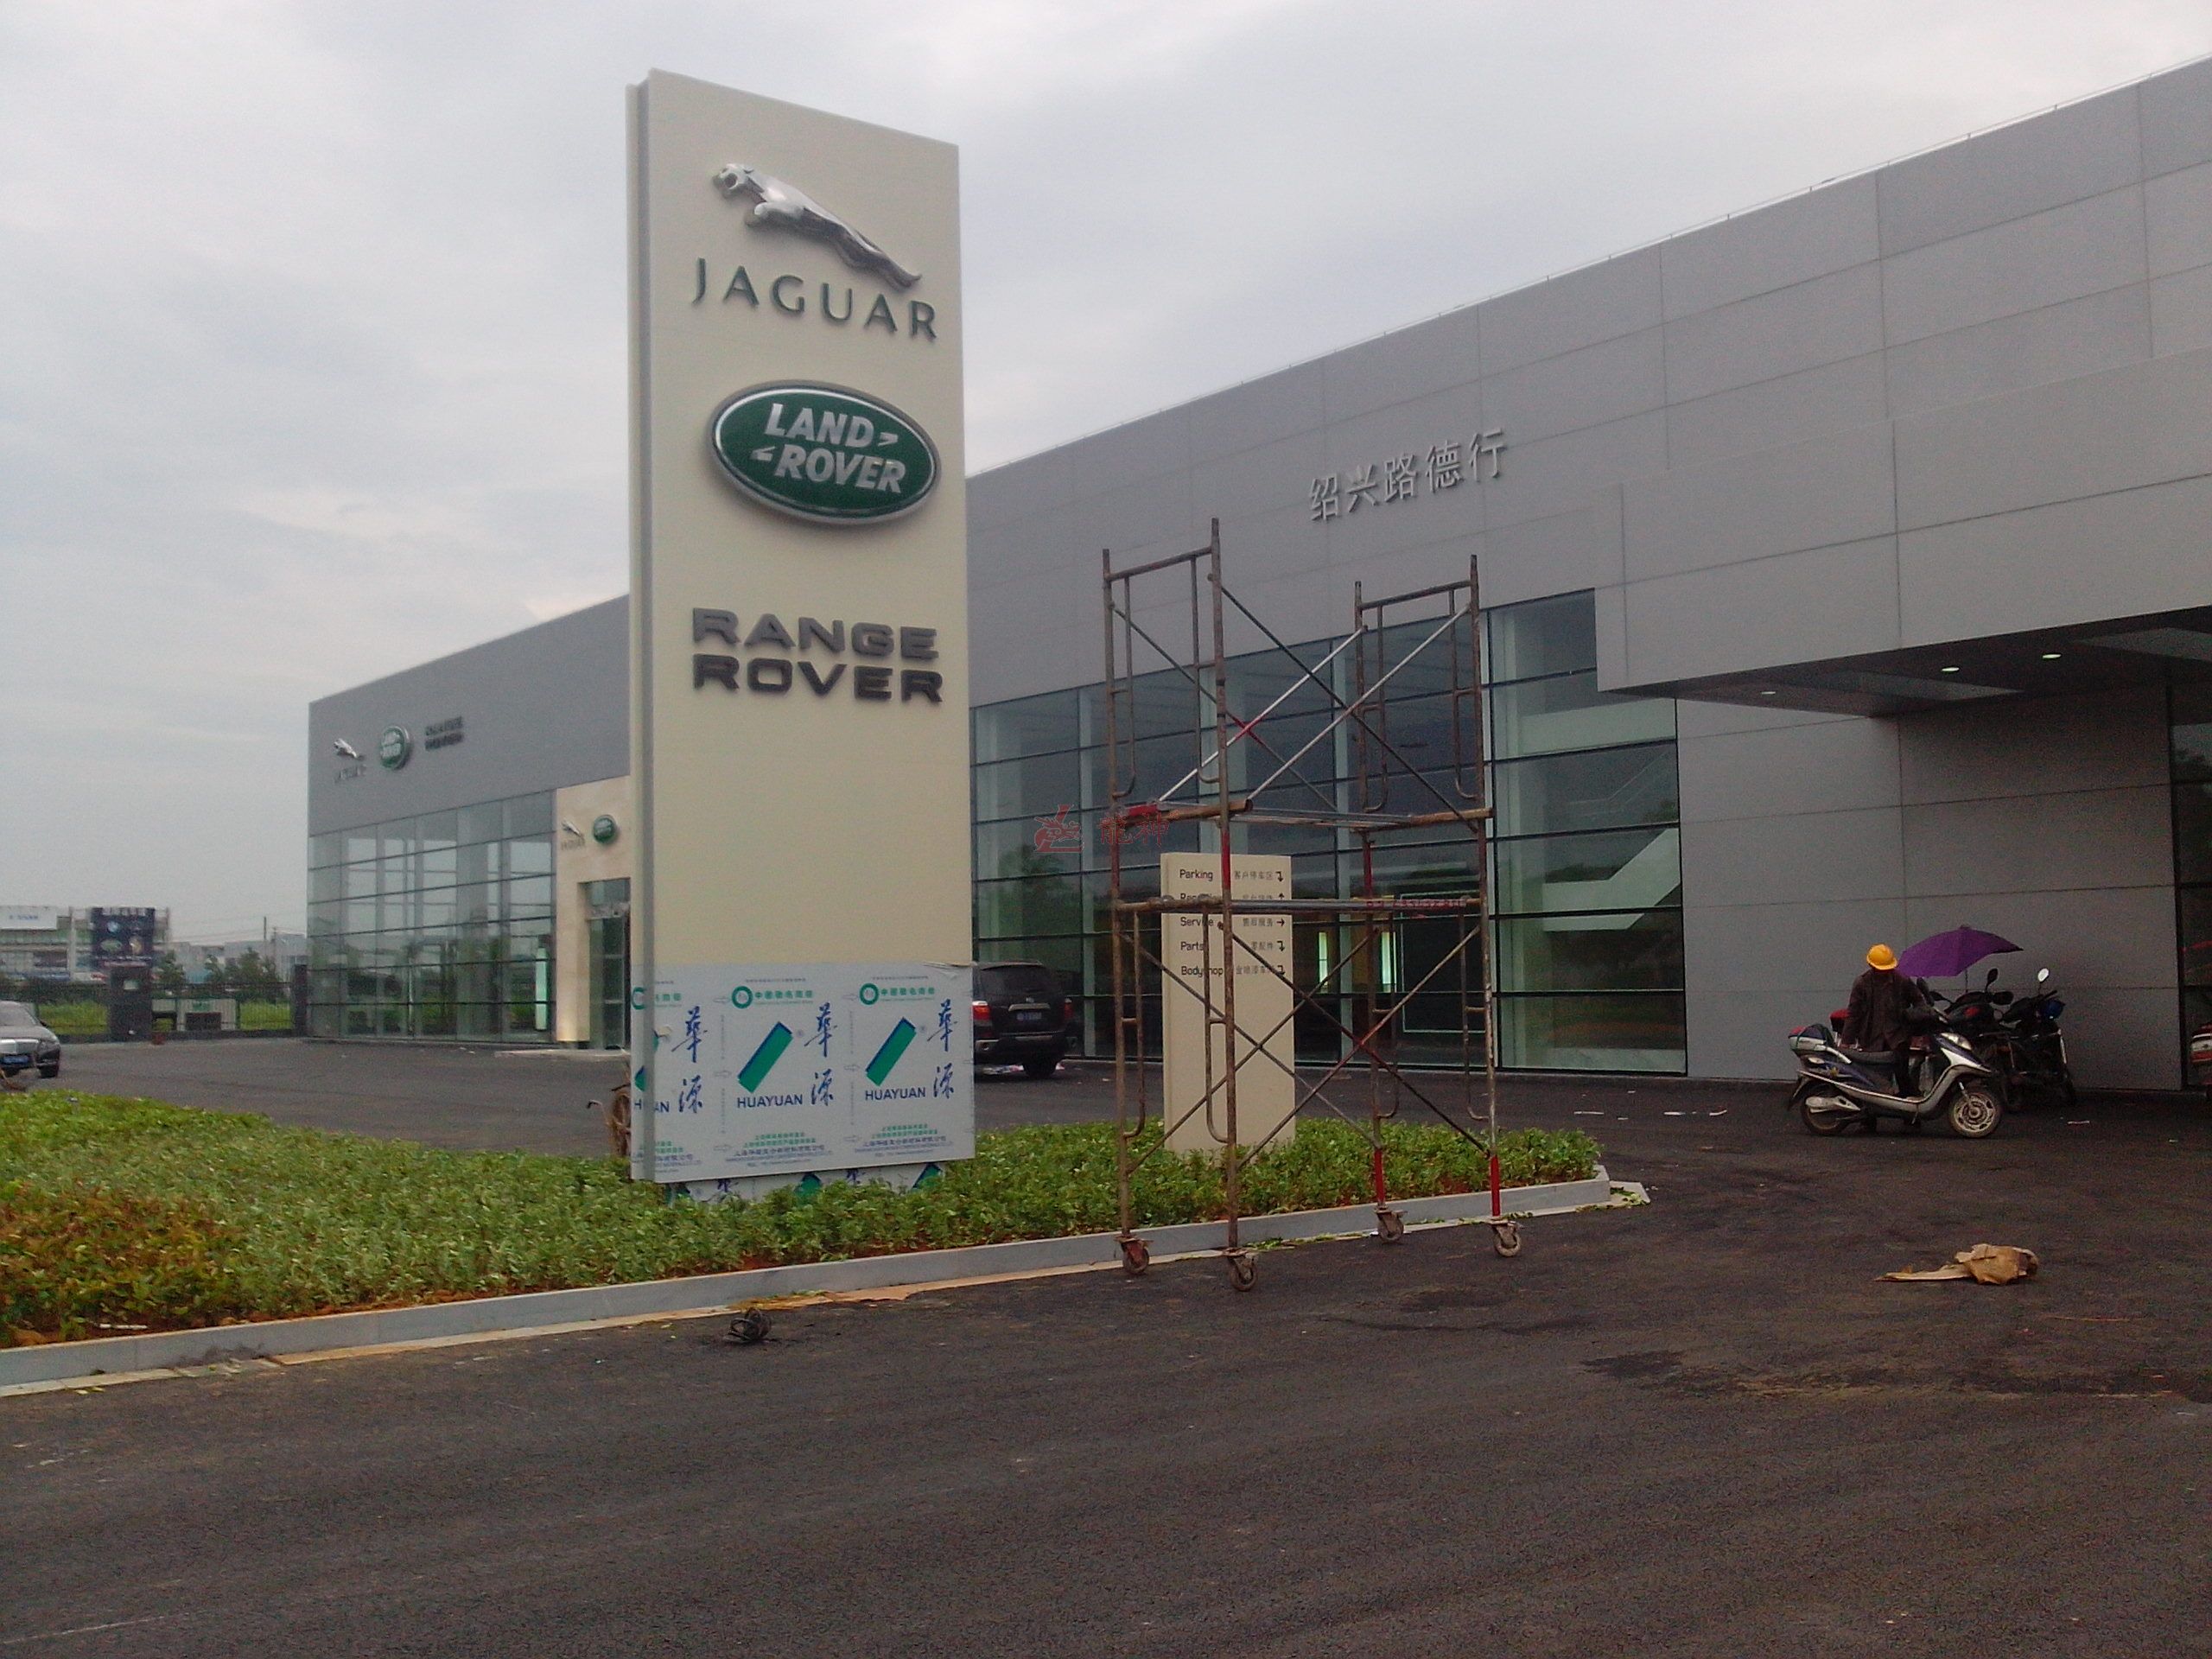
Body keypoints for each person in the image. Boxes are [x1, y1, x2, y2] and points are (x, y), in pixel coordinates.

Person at [1841, 944, 1929, 1093]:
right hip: (1871, 1039)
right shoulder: (1862, 984)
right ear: (1872, 966)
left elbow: (1919, 1002)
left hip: (1898, 1038)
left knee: (1903, 1078)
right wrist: (1846, 1041)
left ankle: (1907, 1103)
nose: (1884, 972)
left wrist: (1914, 1019)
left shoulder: (1902, 981)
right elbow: (1854, 1014)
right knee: (1874, 1080)